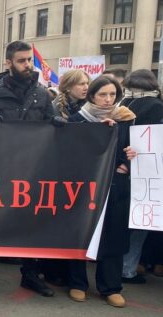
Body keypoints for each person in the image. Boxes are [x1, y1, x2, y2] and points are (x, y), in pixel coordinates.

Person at [0, 41, 61, 298]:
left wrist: (55, 122)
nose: (27, 65)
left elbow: (49, 122)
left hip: (32, 170)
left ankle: (30, 275)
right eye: (21, 60)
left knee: (30, 224)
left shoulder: (41, 94)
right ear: (8, 63)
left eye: (28, 60)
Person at [67, 75, 136, 308]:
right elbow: (72, 154)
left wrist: (130, 160)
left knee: (114, 235)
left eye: (113, 95)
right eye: (103, 95)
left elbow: (136, 150)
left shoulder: (127, 119)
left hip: (116, 188)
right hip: (84, 187)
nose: (108, 100)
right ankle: (77, 283)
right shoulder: (77, 120)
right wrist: (98, 131)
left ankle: (111, 286)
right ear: (91, 96)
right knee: (81, 234)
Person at [119, 69, 163, 284]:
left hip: (122, 169)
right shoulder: (156, 106)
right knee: (140, 223)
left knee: (123, 222)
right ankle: (128, 269)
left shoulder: (123, 103)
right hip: (147, 173)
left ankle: (119, 265)